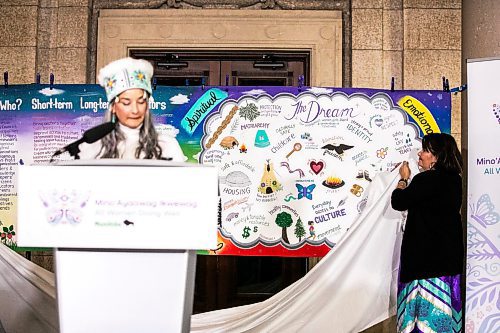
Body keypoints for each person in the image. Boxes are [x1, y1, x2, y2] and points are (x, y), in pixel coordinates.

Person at [391, 133, 464, 333]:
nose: (420, 154)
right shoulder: (455, 180)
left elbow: (398, 201)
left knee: (422, 325)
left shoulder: (426, 179)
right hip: (447, 262)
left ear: (436, 156)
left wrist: (403, 180)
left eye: (424, 150)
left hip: (424, 265)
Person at [79, 57, 187, 161]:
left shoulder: (167, 145)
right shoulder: (92, 148)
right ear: (113, 107)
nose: (135, 110)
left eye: (141, 102)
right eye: (126, 103)